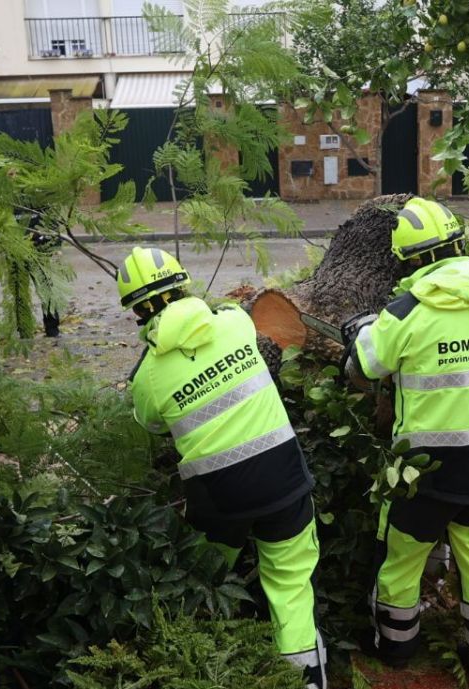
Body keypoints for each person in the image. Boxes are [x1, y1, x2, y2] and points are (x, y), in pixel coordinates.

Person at [120, 247, 325, 689]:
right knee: (291, 586)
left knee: (204, 581)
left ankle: (202, 664)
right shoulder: (234, 323)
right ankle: (304, 679)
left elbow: (151, 423)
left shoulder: (147, 378)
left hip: (218, 497)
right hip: (283, 478)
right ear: (184, 286)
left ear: (137, 311)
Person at [344, 198, 469, 689]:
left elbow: (363, 368)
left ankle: (395, 649)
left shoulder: (405, 314)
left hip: (421, 474)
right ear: (458, 244)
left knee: (399, 562)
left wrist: (361, 330)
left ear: (410, 261)